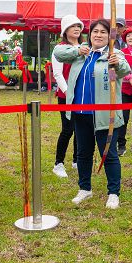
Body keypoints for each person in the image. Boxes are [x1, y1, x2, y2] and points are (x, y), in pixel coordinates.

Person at [53, 19, 130, 209]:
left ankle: (113, 193)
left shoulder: (114, 54)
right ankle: (85, 188)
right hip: (81, 112)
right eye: (95, 31)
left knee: (109, 153)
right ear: (89, 34)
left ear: (109, 36)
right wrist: (77, 50)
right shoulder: (81, 53)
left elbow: (123, 71)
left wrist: (116, 63)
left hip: (104, 115)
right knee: (83, 153)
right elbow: (58, 52)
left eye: (103, 32)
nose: (98, 35)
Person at [51, 15, 83, 178]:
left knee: (81, 129)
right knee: (68, 129)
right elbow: (58, 74)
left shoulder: (85, 46)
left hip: (83, 94)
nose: (76, 29)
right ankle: (59, 163)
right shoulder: (60, 48)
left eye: (78, 26)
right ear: (65, 30)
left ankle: (77, 160)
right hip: (66, 95)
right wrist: (68, 92)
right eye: (73, 26)